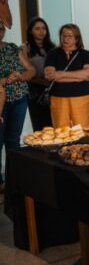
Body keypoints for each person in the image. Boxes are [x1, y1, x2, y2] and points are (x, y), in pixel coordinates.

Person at [0, 23, 35, 188]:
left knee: (13, 141)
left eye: (1, 29)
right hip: (0, 102)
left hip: (19, 100)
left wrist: (20, 76)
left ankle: (13, 183)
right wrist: (4, 80)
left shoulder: (13, 48)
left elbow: (31, 70)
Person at [44, 24, 89, 127]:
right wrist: (78, 76)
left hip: (81, 98)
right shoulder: (52, 53)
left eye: (69, 36)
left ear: (77, 38)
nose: (65, 38)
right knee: (61, 133)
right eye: (63, 35)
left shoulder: (85, 54)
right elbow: (50, 75)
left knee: (83, 131)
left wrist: (61, 74)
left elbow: (88, 73)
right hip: (59, 98)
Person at [24, 17, 55, 130]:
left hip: (53, 89)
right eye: (37, 28)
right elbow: (26, 71)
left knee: (55, 124)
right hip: (36, 91)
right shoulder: (25, 47)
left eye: (43, 28)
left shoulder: (52, 47)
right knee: (40, 126)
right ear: (31, 31)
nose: (41, 31)